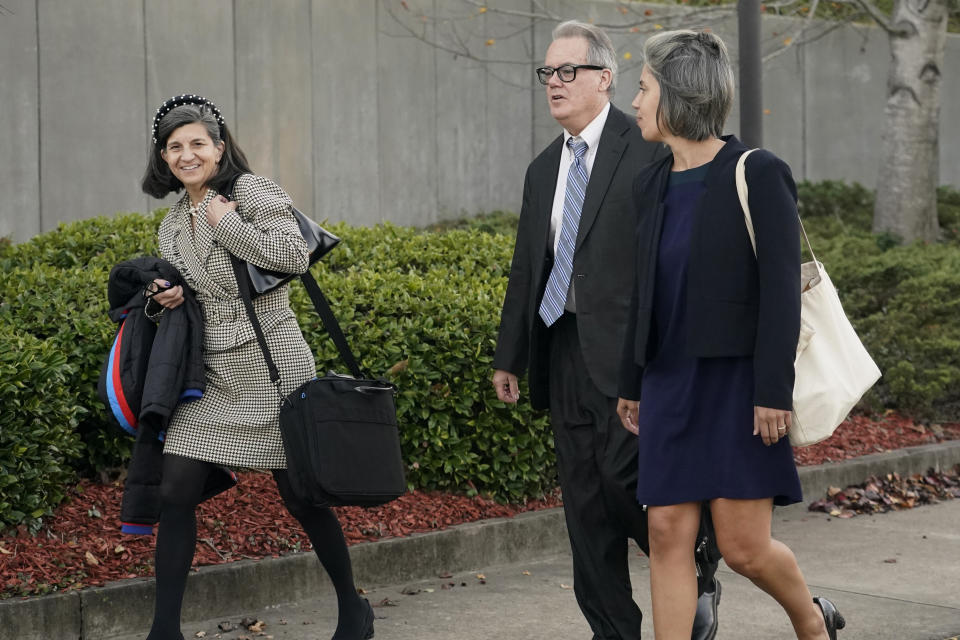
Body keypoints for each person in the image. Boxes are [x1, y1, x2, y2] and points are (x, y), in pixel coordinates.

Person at [493, 21, 720, 640]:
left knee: (625, 482)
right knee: (583, 504)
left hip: (629, 355)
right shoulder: (544, 168)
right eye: (547, 73)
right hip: (561, 347)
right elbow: (527, 267)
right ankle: (612, 629)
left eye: (568, 72)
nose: (555, 84)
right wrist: (509, 355)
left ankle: (696, 566)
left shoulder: (646, 147)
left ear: (605, 79)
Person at [616, 31, 846, 640]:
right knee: (665, 531)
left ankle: (809, 617)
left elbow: (779, 293)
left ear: (677, 95)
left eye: (643, 88)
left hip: (739, 388)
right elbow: (644, 294)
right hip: (668, 381)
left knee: (745, 548)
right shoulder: (650, 183)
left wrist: (774, 389)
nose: (634, 102)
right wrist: (631, 380)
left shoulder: (758, 173)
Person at [139, 94, 374, 640]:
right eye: (175, 147)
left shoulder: (252, 191)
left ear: (219, 149)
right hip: (214, 375)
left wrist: (227, 223)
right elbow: (193, 296)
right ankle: (163, 630)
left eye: (198, 143)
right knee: (174, 490)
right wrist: (166, 296)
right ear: (164, 159)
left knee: (301, 497)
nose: (187, 154)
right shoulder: (172, 223)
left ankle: (352, 606)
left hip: (275, 364)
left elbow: (292, 256)